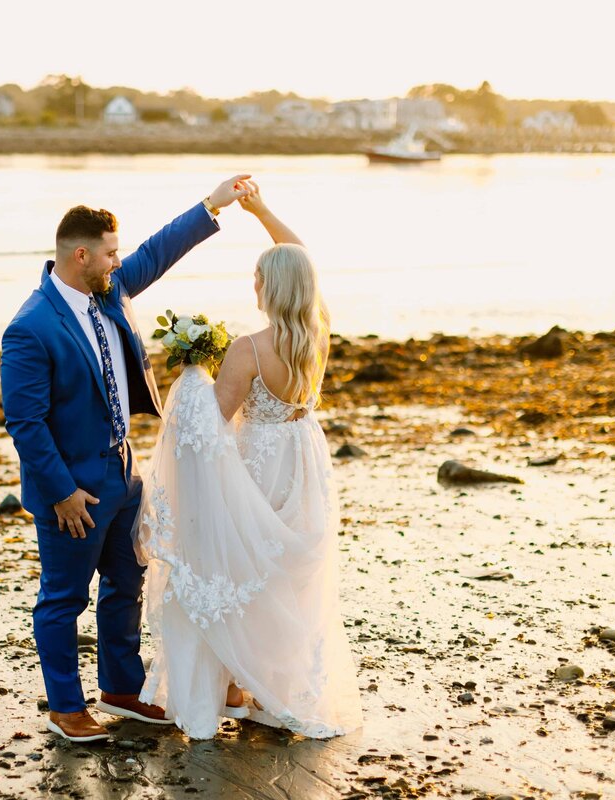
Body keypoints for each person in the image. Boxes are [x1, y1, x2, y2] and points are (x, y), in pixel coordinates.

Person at [0, 176, 253, 743]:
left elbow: (157, 252)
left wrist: (212, 204)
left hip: (123, 478)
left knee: (125, 585)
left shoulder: (109, 292)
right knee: (62, 601)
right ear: (81, 255)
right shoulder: (30, 328)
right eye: (111, 252)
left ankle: (120, 690)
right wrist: (63, 492)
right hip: (74, 495)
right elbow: (24, 423)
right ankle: (66, 707)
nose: (120, 261)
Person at [134, 181, 362, 739]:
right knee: (286, 575)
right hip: (304, 458)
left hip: (259, 461)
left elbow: (210, 424)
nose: (252, 284)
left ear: (271, 287)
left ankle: (236, 686)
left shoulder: (248, 349)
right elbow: (302, 259)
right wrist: (262, 213)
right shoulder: (317, 333)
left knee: (240, 567)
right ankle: (265, 685)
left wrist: (190, 377)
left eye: (258, 277)